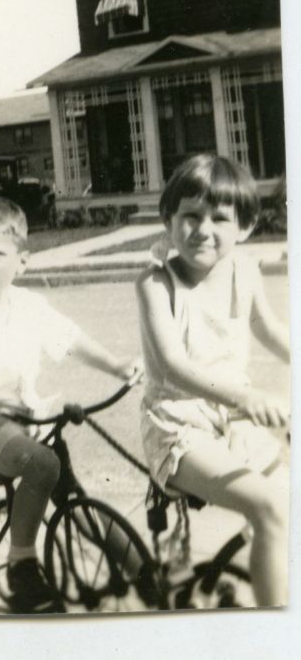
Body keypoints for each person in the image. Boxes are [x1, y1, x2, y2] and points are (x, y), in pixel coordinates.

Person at [0, 197, 135, 614]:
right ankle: (21, 562)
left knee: (72, 497)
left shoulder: (29, 305)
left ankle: (142, 568)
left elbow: (71, 339)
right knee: (43, 466)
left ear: (22, 262)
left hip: (30, 420)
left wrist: (115, 364)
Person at [136, 154, 289, 607]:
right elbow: (172, 365)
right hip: (178, 428)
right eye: (190, 216)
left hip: (233, 418)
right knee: (272, 507)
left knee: (283, 505)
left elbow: (274, 333)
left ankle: (257, 563)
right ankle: (274, 628)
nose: (203, 229)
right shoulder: (156, 283)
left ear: (244, 227)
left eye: (219, 218)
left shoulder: (245, 270)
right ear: (169, 220)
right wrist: (247, 393)